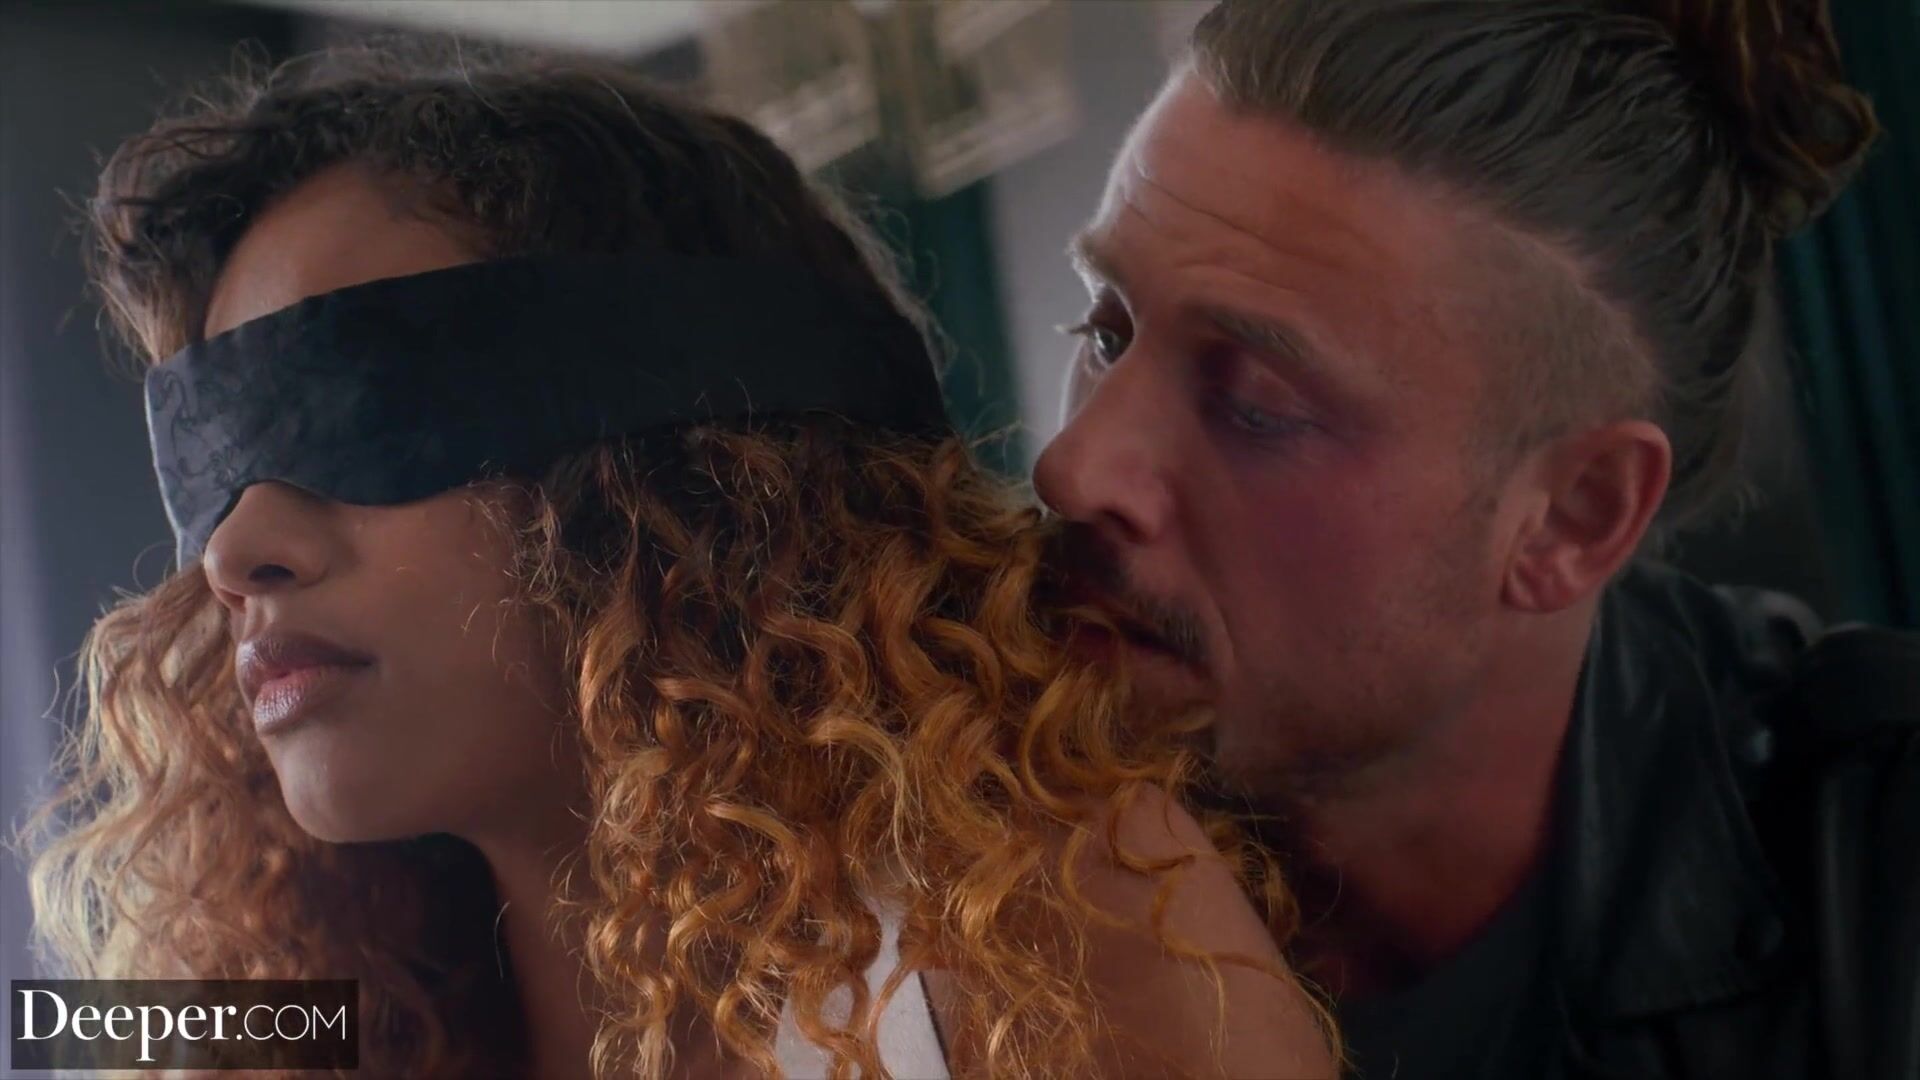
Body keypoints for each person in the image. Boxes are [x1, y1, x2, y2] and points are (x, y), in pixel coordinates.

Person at [23, 44, 1336, 1079]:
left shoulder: (1047, 927)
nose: (236, 553)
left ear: (697, 467)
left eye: (355, 411)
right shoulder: (287, 1021)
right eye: (212, 471)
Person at [1033, 0, 1919, 1077]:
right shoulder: (948, 822)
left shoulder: (1873, 887)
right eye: (1107, 332)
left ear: (1571, 518)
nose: (1074, 467)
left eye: (1257, 405)